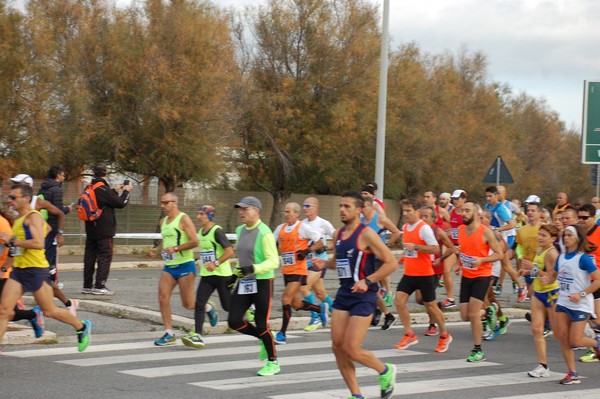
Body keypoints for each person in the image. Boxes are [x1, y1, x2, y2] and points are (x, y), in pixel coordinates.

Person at [312, 191, 397, 399]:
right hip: (344, 294)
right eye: (341, 206)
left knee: (351, 348)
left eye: (347, 206)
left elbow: (391, 263)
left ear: (359, 210)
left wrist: (368, 281)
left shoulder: (367, 234)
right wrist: (325, 263)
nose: (342, 209)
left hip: (364, 296)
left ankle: (385, 371)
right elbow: (339, 262)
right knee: (337, 347)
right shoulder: (338, 235)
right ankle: (356, 395)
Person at [0, 184, 91, 352]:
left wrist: (13, 241)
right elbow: (47, 228)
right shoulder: (19, 219)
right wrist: (7, 266)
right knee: (4, 311)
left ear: (26, 198)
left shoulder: (32, 216)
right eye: (9, 197)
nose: (9, 200)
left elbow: (38, 243)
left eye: (13, 197)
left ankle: (81, 326)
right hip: (19, 271)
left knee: (49, 311)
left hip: (36, 270)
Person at [227, 196, 280, 376]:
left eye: (245, 209)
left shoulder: (265, 232)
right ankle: (263, 338)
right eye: (239, 209)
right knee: (234, 320)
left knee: (260, 321)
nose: (241, 212)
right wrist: (234, 275)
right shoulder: (240, 230)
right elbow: (243, 257)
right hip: (245, 281)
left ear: (257, 211)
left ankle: (273, 362)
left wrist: (254, 268)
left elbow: (274, 261)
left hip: (263, 281)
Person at [542, 224, 600, 384]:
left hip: (580, 304)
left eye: (569, 235)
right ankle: (572, 373)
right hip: (563, 302)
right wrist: (548, 278)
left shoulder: (583, 258)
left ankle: (597, 344)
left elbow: (598, 280)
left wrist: (581, 294)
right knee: (562, 337)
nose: (565, 238)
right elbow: (553, 275)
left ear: (577, 239)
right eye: (564, 235)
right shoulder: (561, 257)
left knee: (576, 341)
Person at [394, 199, 452, 353]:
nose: (405, 214)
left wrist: (417, 247)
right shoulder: (405, 227)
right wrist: (401, 258)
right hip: (409, 273)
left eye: (408, 211)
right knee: (398, 302)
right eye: (404, 211)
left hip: (424, 274)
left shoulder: (424, 228)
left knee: (431, 307)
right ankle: (409, 334)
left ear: (417, 211)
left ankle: (444, 335)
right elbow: (409, 251)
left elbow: (435, 249)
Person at [272, 202, 327, 344]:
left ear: (297, 214)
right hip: (287, 271)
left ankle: (282, 334)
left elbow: (320, 242)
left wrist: (307, 250)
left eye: (289, 212)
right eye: (285, 212)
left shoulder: (302, 228)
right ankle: (319, 308)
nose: (286, 215)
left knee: (285, 299)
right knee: (295, 304)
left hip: (299, 270)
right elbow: (271, 243)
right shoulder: (280, 229)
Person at [181, 205, 234, 349]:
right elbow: (207, 251)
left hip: (222, 275)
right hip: (207, 275)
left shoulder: (217, 231)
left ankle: (248, 305)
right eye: (198, 214)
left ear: (210, 216)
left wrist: (216, 263)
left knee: (228, 306)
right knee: (199, 303)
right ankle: (198, 335)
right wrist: (198, 260)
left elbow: (230, 252)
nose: (198, 217)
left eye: (201, 214)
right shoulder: (201, 232)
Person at [457, 202, 504, 362]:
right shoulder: (460, 230)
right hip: (466, 275)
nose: (463, 213)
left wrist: (482, 259)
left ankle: (478, 350)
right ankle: (489, 311)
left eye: (467, 210)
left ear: (477, 214)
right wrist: (459, 263)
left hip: (482, 276)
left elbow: (499, 254)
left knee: (473, 313)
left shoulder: (486, 232)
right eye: (462, 210)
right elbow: (464, 250)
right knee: (464, 316)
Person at [150, 193, 199, 346]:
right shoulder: (163, 221)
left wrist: (176, 249)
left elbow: (195, 241)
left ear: (174, 203)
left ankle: (206, 306)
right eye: (161, 203)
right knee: (162, 297)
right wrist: (157, 249)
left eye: (165, 203)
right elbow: (167, 240)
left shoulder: (184, 218)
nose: (162, 206)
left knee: (188, 304)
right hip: (170, 267)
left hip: (185, 265)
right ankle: (169, 333)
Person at [82, 165, 132, 295]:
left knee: (90, 257)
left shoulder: (89, 187)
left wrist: (115, 190)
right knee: (104, 257)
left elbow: (105, 200)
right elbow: (120, 203)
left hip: (91, 228)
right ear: (105, 173)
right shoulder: (103, 189)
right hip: (104, 230)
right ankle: (100, 285)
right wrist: (126, 191)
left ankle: (87, 285)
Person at [518, 224, 559, 378]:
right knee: (536, 329)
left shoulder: (552, 253)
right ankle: (543, 365)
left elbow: (549, 277)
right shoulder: (540, 249)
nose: (540, 237)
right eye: (539, 234)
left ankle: (593, 342)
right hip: (538, 293)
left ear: (553, 239)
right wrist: (527, 271)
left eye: (544, 235)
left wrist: (532, 269)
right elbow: (538, 272)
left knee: (559, 334)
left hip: (551, 293)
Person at [37, 166, 78, 315]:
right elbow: (58, 211)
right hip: (52, 230)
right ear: (58, 175)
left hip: (42, 229)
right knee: (49, 264)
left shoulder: (42, 189)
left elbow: (46, 209)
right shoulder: (56, 190)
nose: (64, 177)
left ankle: (51, 293)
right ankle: (53, 291)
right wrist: (67, 209)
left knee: (45, 263)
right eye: (63, 174)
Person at [0, 206, 45, 338]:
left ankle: (33, 314)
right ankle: (32, 314)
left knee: (5, 312)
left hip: (4, 273)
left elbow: (12, 250)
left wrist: (3, 269)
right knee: (6, 311)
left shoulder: (2, 223)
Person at [361, 196, 400, 329]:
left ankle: (383, 312)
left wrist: (387, 245)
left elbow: (395, 232)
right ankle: (381, 312)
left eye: (365, 206)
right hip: (366, 258)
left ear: (371, 207)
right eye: (361, 207)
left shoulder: (380, 219)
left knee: (370, 285)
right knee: (370, 288)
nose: (362, 210)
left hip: (379, 258)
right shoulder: (360, 221)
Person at [419, 205, 457, 336]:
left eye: (426, 216)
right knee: (420, 298)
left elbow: (452, 248)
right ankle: (437, 307)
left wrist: (440, 259)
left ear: (434, 219)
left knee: (427, 299)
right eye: (421, 216)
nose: (422, 219)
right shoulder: (418, 230)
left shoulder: (438, 232)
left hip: (433, 269)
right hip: (420, 268)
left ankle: (432, 324)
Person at [484, 186, 527, 302]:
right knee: (506, 266)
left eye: (490, 196)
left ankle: (516, 286)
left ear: (496, 196)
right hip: (495, 238)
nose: (488, 199)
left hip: (506, 237)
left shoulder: (500, 208)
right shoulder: (487, 207)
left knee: (503, 264)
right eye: (487, 196)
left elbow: (512, 224)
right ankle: (520, 286)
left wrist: (499, 229)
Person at [300, 197, 336, 332]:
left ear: (315, 207)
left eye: (307, 205)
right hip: (306, 262)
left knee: (304, 287)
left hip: (319, 263)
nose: (305, 208)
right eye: (303, 206)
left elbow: (337, 238)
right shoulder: (302, 223)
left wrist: (326, 247)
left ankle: (315, 316)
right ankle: (339, 315)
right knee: (321, 294)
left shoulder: (323, 223)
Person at [575, 204, 600, 362]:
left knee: (596, 317)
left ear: (593, 217)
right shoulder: (579, 234)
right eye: (580, 217)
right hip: (583, 281)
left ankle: (595, 348)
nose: (581, 220)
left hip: (597, 280)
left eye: (585, 218)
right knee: (591, 317)